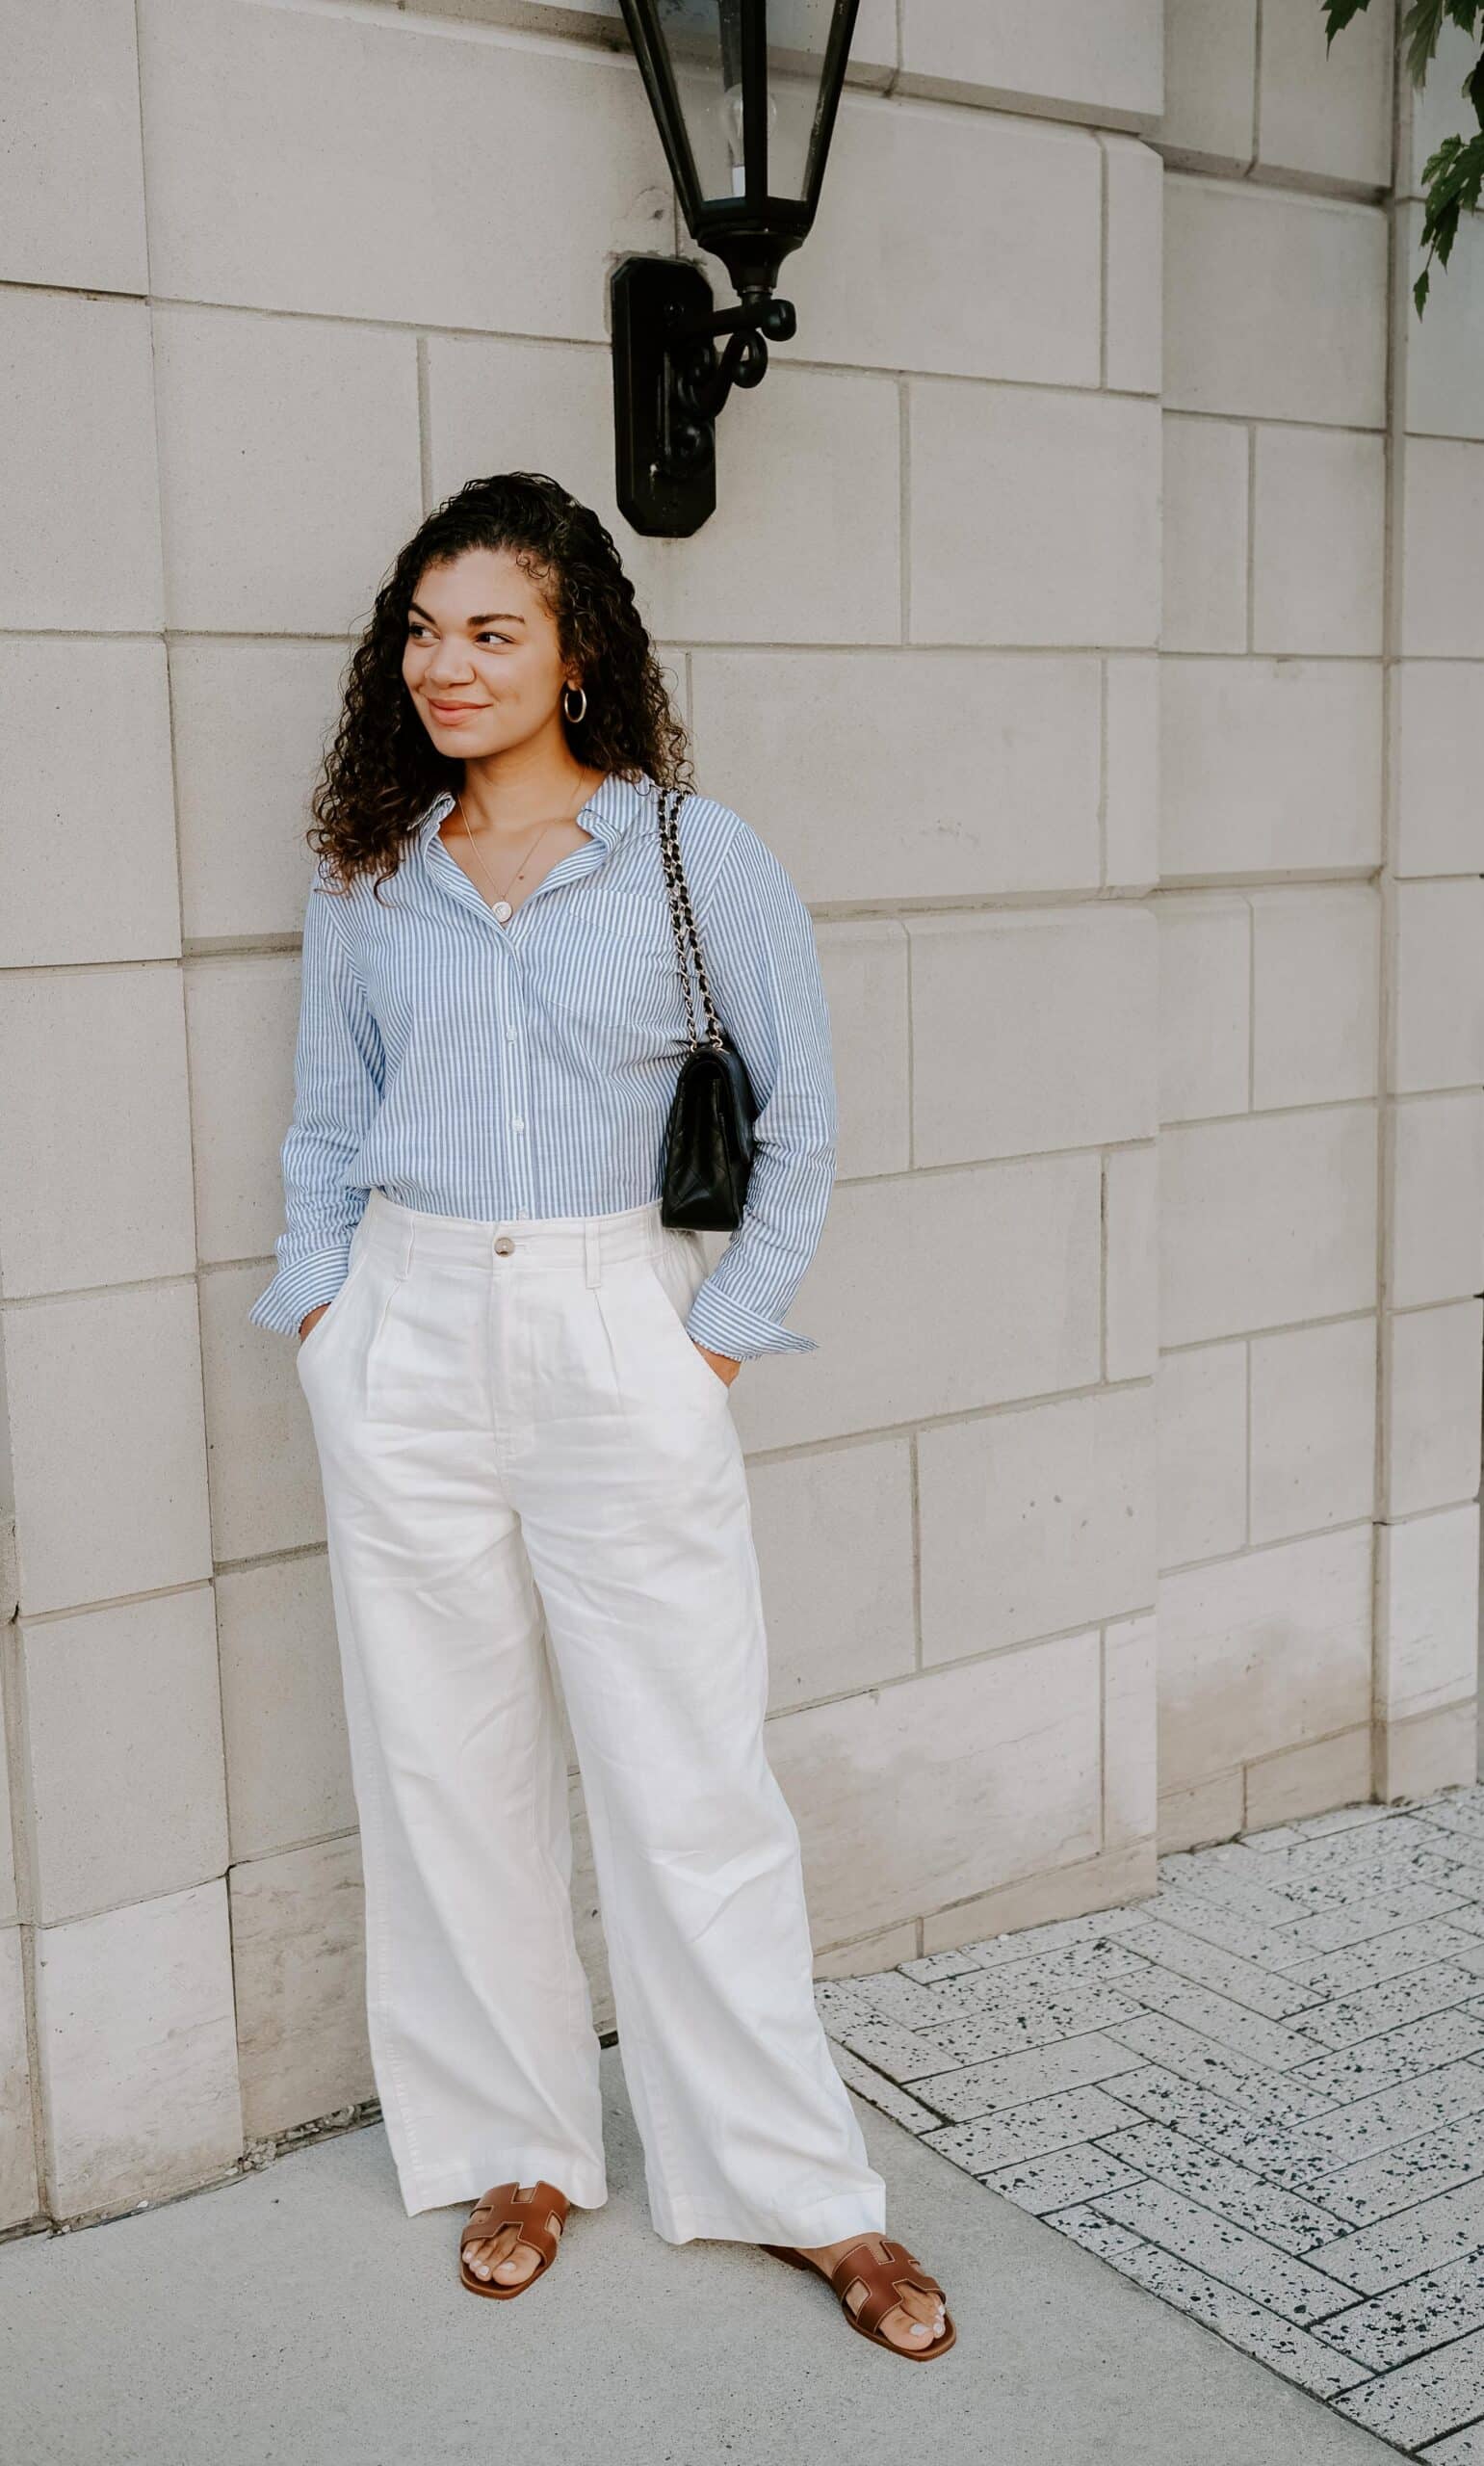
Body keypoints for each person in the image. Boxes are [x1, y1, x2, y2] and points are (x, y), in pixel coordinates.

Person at [248, 471, 955, 2361]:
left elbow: (797, 1114)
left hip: (615, 1320)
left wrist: (709, 1336)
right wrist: (322, 1308)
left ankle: (801, 2187)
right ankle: (517, 2145)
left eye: (492, 629)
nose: (446, 664)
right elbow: (326, 1119)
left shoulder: (686, 855)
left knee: (688, 1776)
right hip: (401, 1324)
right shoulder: (372, 866)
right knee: (445, 1767)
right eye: (422, 627)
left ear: (576, 649)